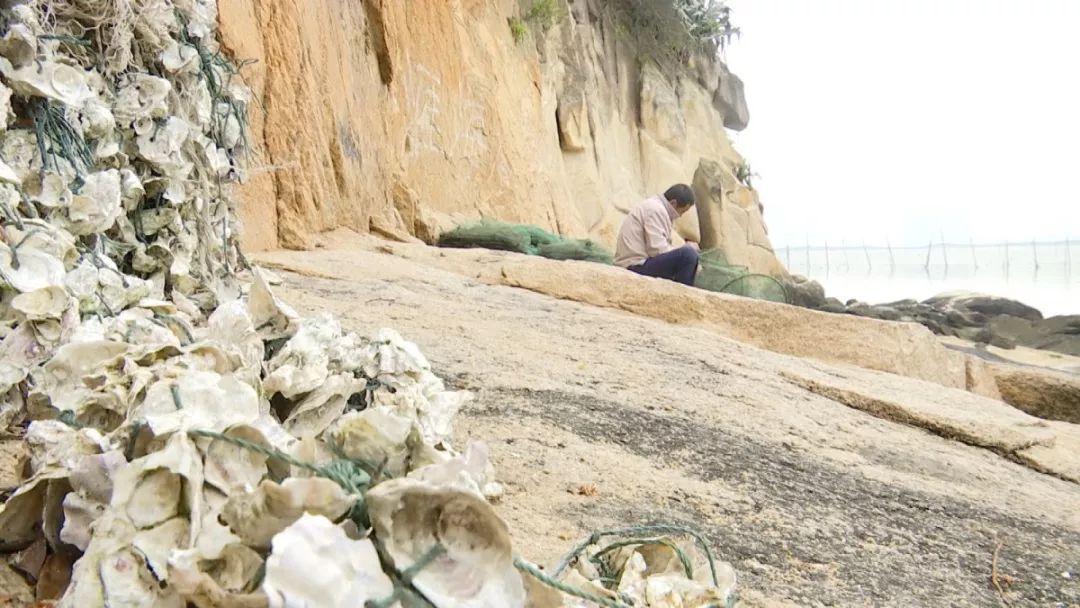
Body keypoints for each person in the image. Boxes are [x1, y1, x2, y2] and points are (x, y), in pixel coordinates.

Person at [613, 184, 699, 286]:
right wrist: (685, 248)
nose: (679, 216)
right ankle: (683, 293)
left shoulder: (654, 206)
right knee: (688, 254)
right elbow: (657, 250)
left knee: (688, 256)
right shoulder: (656, 210)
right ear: (673, 203)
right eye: (681, 212)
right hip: (634, 265)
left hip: (638, 263)